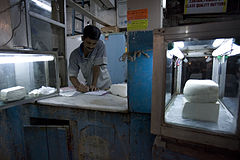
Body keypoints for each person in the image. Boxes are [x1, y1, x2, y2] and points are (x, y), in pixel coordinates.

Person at [68, 25, 112, 92]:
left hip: (105, 85)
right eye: (88, 43)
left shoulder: (100, 45)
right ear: (83, 38)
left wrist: (94, 85)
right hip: (90, 87)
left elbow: (96, 66)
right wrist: (79, 86)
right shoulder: (74, 55)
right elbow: (72, 76)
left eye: (94, 43)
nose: (91, 46)